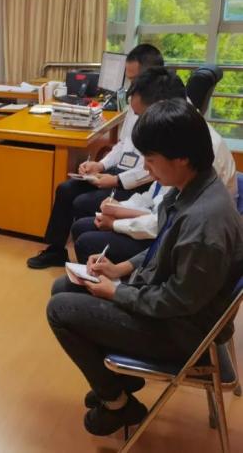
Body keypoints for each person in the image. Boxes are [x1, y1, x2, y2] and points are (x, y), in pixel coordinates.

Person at [46, 99, 243, 436]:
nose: (148, 170)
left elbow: (175, 302)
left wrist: (117, 292)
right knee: (64, 287)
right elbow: (164, 247)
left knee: (59, 310)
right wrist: (119, 269)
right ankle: (119, 383)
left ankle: (118, 404)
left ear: (182, 158)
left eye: (151, 161)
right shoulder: (191, 189)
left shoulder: (204, 222)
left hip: (183, 334)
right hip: (173, 311)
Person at [71, 67, 238, 264]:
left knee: (87, 240)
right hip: (161, 225)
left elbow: (164, 224)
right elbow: (156, 199)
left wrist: (117, 223)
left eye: (141, 115)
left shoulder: (194, 147)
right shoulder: (175, 133)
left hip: (174, 238)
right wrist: (121, 208)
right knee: (83, 226)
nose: (139, 121)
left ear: (161, 108)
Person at [27, 44, 164, 269]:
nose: (131, 86)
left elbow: (155, 169)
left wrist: (117, 180)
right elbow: (123, 144)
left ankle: (93, 257)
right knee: (66, 189)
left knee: (82, 202)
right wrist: (100, 165)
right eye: (129, 80)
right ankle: (55, 250)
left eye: (134, 79)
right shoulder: (137, 101)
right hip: (120, 172)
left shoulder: (161, 111)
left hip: (136, 181)